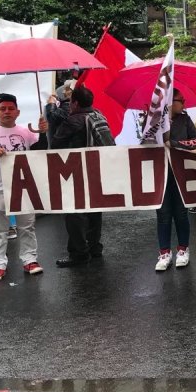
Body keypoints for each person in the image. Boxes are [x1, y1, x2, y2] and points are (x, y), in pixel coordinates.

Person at [50, 86, 114, 267]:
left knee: (73, 213)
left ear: (75, 103)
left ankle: (79, 253)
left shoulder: (74, 120)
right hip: (97, 170)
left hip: (76, 171)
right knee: (94, 209)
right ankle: (94, 248)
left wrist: (52, 115)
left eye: (71, 102)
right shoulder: (99, 115)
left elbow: (55, 143)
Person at [0, 94, 48, 282]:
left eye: (10, 108)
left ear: (17, 112)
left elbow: (41, 152)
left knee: (26, 225)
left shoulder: (26, 132)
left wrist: (44, 133)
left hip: (23, 186)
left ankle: (30, 260)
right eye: (3, 109)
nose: (7, 112)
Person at [155, 89, 196, 271]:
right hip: (160, 172)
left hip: (181, 172)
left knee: (181, 213)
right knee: (163, 214)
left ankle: (183, 249)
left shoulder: (185, 120)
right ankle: (164, 252)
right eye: (179, 101)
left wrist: (175, 144)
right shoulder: (155, 120)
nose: (182, 104)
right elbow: (144, 141)